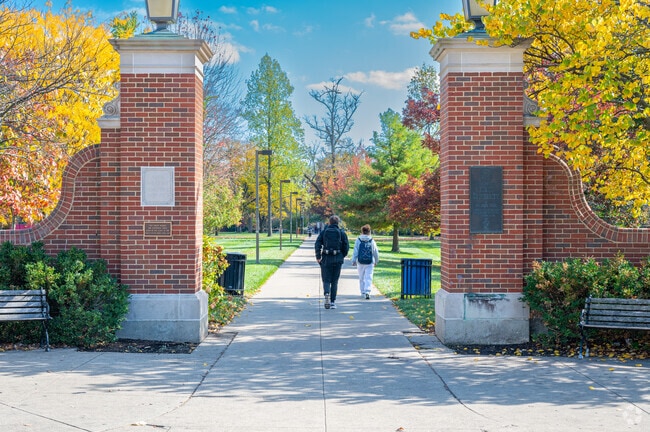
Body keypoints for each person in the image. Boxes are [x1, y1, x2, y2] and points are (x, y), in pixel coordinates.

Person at [315, 215, 349, 309]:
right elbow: (346, 246)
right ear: (338, 223)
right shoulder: (342, 233)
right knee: (335, 281)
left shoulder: (324, 232)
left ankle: (326, 294)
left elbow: (317, 244)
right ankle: (333, 301)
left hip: (326, 258)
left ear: (329, 222)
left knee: (326, 279)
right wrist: (342, 256)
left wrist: (318, 256)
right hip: (337, 258)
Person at [351, 224, 379, 299]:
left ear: (362, 231)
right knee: (369, 277)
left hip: (360, 262)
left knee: (361, 277)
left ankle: (362, 291)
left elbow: (355, 251)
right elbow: (375, 251)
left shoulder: (358, 240)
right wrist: (376, 260)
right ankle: (367, 291)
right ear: (369, 231)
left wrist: (353, 260)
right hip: (370, 262)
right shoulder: (371, 240)